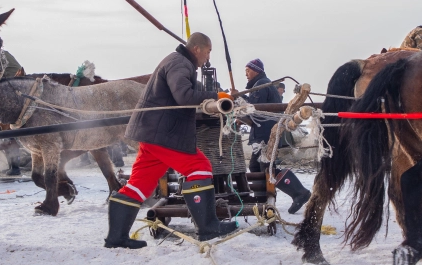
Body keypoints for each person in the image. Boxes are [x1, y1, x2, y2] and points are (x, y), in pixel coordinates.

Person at [105, 32, 236, 249]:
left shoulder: (176, 61)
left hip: (152, 134)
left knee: (140, 184)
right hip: (164, 134)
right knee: (200, 167)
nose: (209, 57)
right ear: (197, 49)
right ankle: (208, 227)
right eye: (208, 51)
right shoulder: (180, 64)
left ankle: (116, 237)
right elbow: (184, 96)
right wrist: (216, 96)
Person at [242, 58, 312, 214]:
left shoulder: (261, 85)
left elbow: (254, 110)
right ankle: (261, 199)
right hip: (262, 132)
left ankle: (299, 192)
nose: (246, 74)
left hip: (265, 135)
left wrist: (237, 101)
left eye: (248, 70)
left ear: (256, 70)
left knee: (268, 167)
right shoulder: (260, 84)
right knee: (255, 167)